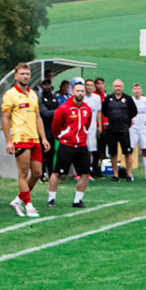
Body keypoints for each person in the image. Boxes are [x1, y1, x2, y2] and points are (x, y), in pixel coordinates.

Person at [1, 62, 45, 218]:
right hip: (20, 138)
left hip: (34, 138)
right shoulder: (10, 94)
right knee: (23, 172)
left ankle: (19, 199)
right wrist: (8, 140)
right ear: (16, 75)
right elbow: (5, 118)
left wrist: (43, 137)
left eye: (27, 74)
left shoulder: (33, 94)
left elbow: (38, 116)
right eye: (22, 74)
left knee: (37, 173)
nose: (25, 76)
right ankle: (29, 205)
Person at [51, 79, 95, 209]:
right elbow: (55, 126)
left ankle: (78, 200)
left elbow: (87, 124)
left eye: (82, 91)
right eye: (78, 91)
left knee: (85, 173)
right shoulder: (64, 108)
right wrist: (61, 137)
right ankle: (51, 198)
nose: (80, 93)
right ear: (72, 92)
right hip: (67, 144)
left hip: (81, 145)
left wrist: (83, 135)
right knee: (58, 172)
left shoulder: (87, 109)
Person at [100, 79, 135, 182]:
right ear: (113, 87)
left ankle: (129, 174)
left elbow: (133, 111)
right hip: (112, 129)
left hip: (124, 129)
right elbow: (104, 111)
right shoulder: (109, 98)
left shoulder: (128, 99)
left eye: (119, 86)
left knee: (127, 152)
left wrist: (126, 120)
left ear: (122, 87)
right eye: (116, 86)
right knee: (113, 152)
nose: (118, 88)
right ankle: (115, 174)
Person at [128, 82, 146, 180]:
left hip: (143, 129)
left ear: (141, 90)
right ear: (132, 90)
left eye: (138, 89)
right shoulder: (130, 100)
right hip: (133, 129)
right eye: (135, 89)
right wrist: (129, 121)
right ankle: (129, 174)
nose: (137, 91)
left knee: (145, 150)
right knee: (130, 150)